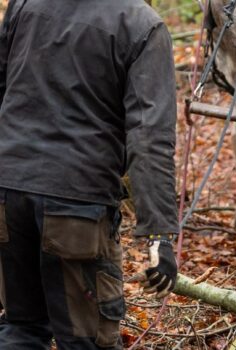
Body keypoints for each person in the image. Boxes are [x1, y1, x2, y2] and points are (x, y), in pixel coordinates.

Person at [0, 0, 179, 349]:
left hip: (8, 192)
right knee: (87, 341)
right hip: (77, 205)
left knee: (21, 329)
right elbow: (150, 137)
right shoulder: (143, 25)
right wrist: (159, 233)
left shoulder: (24, 4)